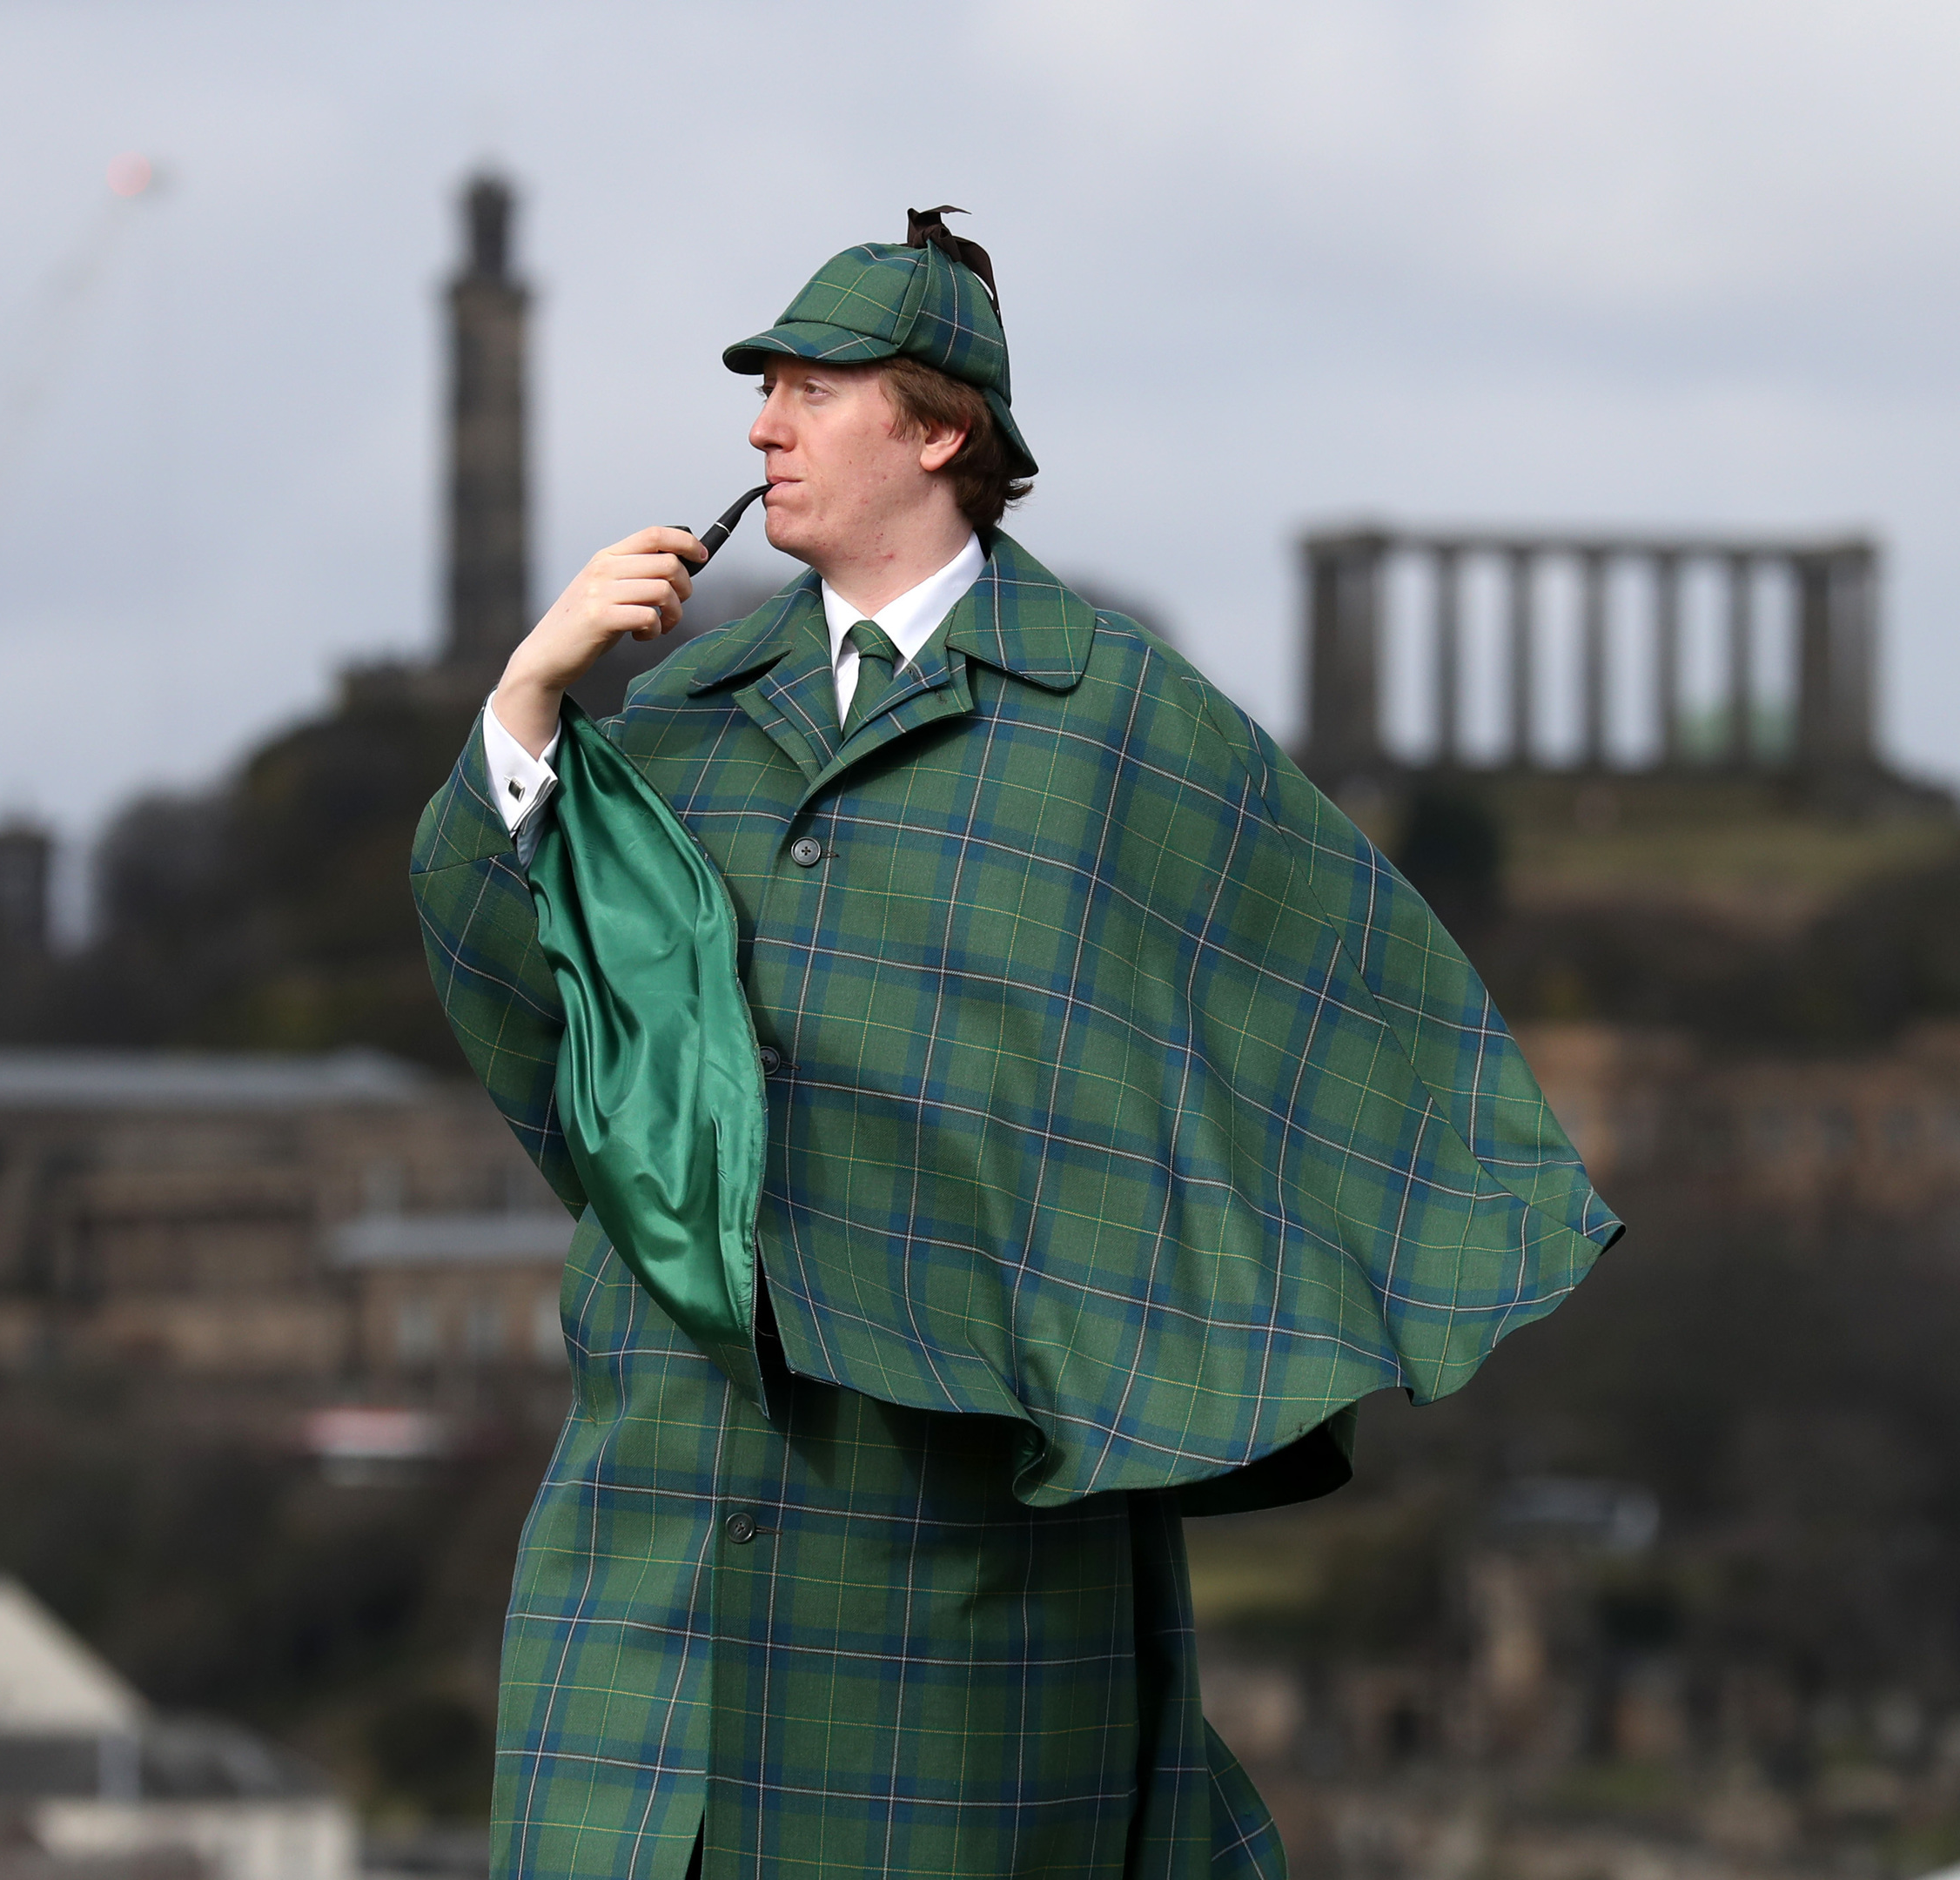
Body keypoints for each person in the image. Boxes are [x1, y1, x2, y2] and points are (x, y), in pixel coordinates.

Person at [412, 211, 1619, 1880]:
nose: (760, 423)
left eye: (809, 388)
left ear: (934, 431)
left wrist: (1206, 1350)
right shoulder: (676, 715)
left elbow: (1332, 1024)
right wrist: (526, 714)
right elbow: (547, 1045)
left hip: (948, 1567)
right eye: (760, 388)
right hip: (652, 1538)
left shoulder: (1117, 723)